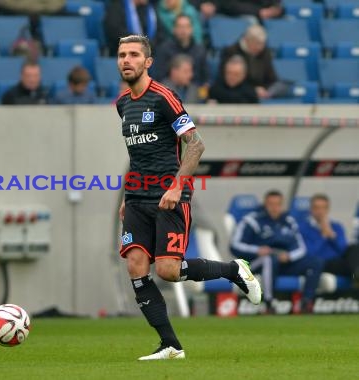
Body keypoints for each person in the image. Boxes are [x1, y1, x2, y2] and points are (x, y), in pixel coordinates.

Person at [115, 35, 261, 361]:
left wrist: (176, 186)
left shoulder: (164, 96)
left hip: (169, 194)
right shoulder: (123, 103)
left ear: (148, 62)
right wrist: (128, 195)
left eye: (134, 54)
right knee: (136, 266)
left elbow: (195, 145)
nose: (127, 60)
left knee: (167, 270)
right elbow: (137, 156)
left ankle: (233, 269)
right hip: (138, 197)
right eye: (122, 54)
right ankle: (171, 346)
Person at [230, 190, 324, 314]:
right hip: (255, 263)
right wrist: (258, 250)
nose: (274, 208)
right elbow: (234, 245)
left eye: (278, 204)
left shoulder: (288, 221)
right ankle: (269, 303)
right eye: (271, 204)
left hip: (282, 262)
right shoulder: (252, 220)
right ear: (265, 204)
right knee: (269, 259)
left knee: (315, 262)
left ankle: (306, 302)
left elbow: (301, 248)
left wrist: (289, 256)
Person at [299, 194, 359, 280]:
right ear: (311, 209)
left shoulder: (336, 226)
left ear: (327, 209)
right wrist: (322, 236)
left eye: (323, 208)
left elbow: (343, 249)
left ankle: (356, 274)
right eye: (317, 208)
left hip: (339, 262)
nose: (320, 211)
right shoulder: (303, 228)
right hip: (320, 263)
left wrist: (332, 235)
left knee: (354, 248)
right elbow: (310, 253)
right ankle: (355, 276)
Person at [219, 25, 280, 100]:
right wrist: (253, 90)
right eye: (257, 43)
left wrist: (264, 90)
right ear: (247, 40)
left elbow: (271, 78)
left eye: (262, 44)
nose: (260, 47)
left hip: (262, 94)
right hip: (240, 95)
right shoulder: (230, 52)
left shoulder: (265, 53)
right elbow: (228, 81)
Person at [152, 14, 208, 85]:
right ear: (174, 29)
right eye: (180, 27)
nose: (183, 30)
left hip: (194, 90)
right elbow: (160, 76)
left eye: (186, 26)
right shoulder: (164, 49)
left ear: (191, 29)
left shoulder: (200, 50)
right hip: (170, 90)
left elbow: (205, 78)